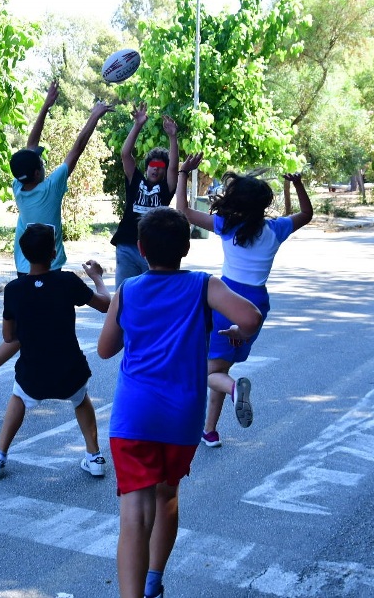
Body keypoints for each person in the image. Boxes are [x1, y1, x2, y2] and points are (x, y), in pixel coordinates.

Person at [97, 207, 263, 598]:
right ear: (186, 248)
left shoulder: (128, 291)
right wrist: (236, 331)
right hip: (181, 417)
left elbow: (106, 349)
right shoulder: (204, 286)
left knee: (134, 514)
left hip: (134, 416)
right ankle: (154, 580)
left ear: (140, 248)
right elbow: (251, 317)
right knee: (167, 494)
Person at [0, 83, 115, 406]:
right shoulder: (51, 187)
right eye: (40, 163)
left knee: (26, 331)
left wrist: (46, 106)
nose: (44, 163)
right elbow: (77, 149)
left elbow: (31, 146)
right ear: (36, 171)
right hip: (48, 265)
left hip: (24, 264)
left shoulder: (21, 188)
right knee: (30, 333)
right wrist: (94, 117)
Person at [176, 154, 313, 447]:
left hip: (227, 301)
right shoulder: (275, 230)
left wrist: (184, 173)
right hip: (257, 306)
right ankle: (210, 431)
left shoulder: (227, 226)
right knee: (220, 367)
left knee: (208, 373)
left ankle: (235, 389)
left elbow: (184, 211)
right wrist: (298, 186)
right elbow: (306, 214)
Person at [0, 223, 112, 480]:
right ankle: (94, 457)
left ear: (23, 254)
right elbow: (106, 305)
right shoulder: (67, 281)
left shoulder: (14, 290)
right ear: (54, 253)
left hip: (33, 375)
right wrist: (97, 277)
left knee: (18, 397)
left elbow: (8, 336)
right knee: (81, 399)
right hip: (70, 372)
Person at [110, 104, 181, 286]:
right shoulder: (136, 180)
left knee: (152, 295)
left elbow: (174, 166)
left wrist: (173, 137)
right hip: (126, 244)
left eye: (160, 168)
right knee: (124, 293)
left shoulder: (167, 187)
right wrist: (138, 124)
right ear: (147, 166)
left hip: (153, 248)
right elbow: (125, 154)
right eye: (152, 166)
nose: (156, 171)